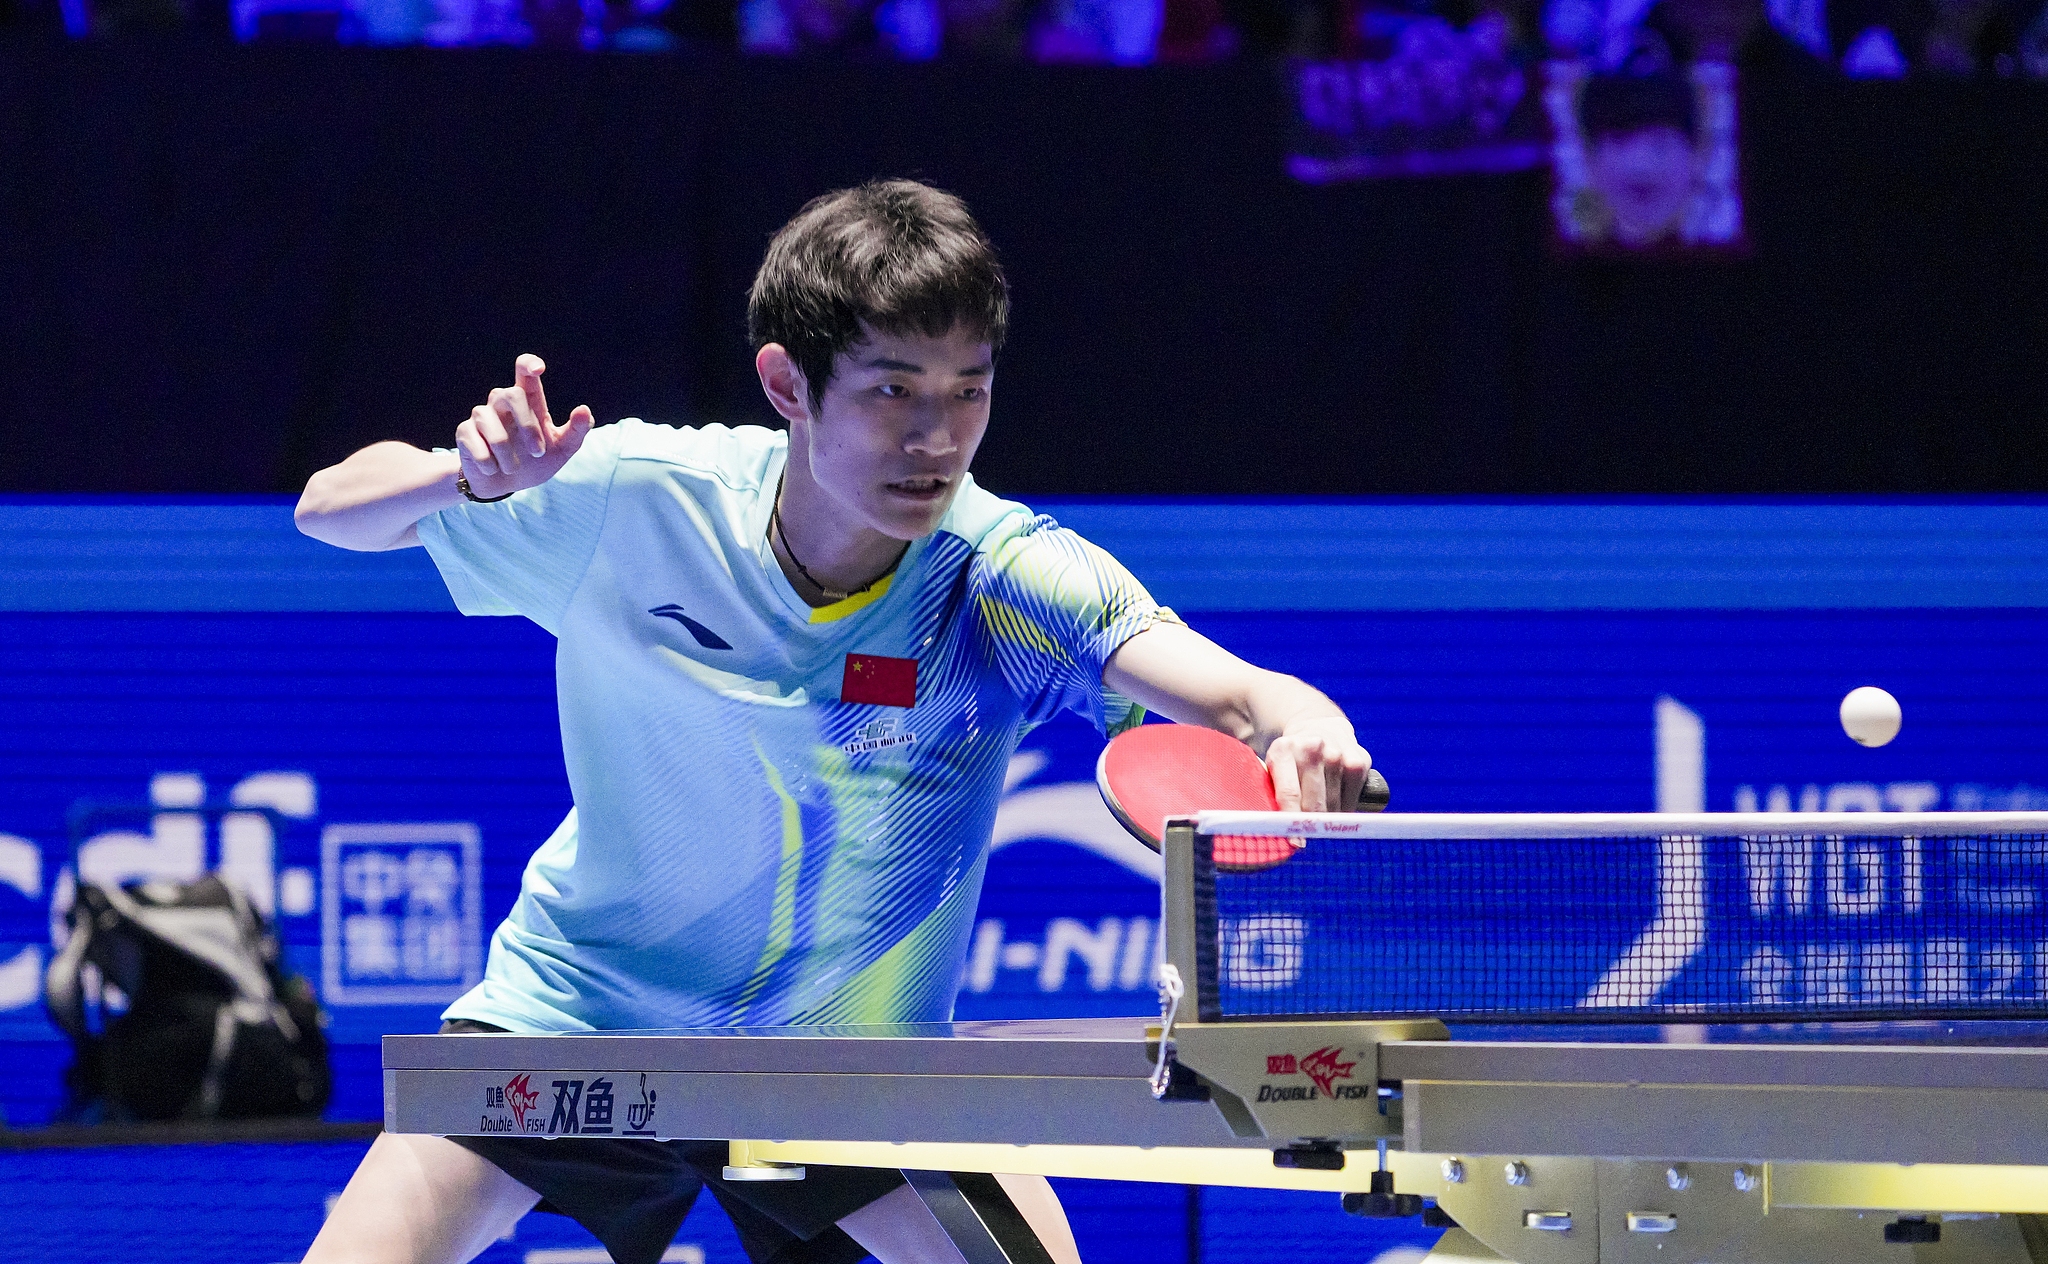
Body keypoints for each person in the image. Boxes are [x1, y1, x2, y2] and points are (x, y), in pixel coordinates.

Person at [292, 179, 1376, 1264]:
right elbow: (330, 509)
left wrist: (1307, 729)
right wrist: (466, 477)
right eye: (892, 390)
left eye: (967, 391)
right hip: (579, 1015)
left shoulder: (1002, 574)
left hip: (851, 1061)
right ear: (787, 383)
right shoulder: (634, 495)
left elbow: (1243, 696)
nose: (935, 438)